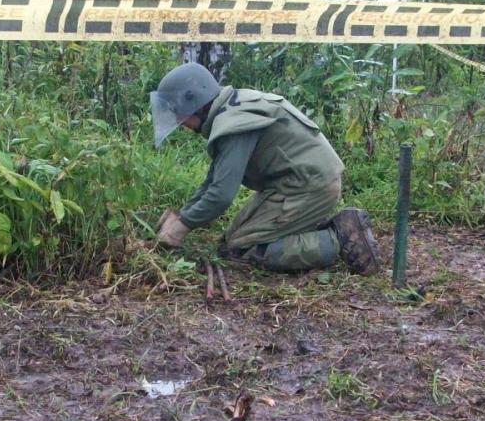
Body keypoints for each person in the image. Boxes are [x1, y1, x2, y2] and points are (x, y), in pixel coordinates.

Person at [150, 62, 382, 274]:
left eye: (180, 116)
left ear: (195, 102)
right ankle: (309, 226)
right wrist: (183, 213)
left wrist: (182, 226)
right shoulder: (234, 107)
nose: (181, 124)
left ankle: (338, 238)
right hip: (295, 182)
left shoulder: (233, 125)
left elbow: (220, 195)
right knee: (229, 242)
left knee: (245, 250)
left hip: (308, 186)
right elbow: (213, 180)